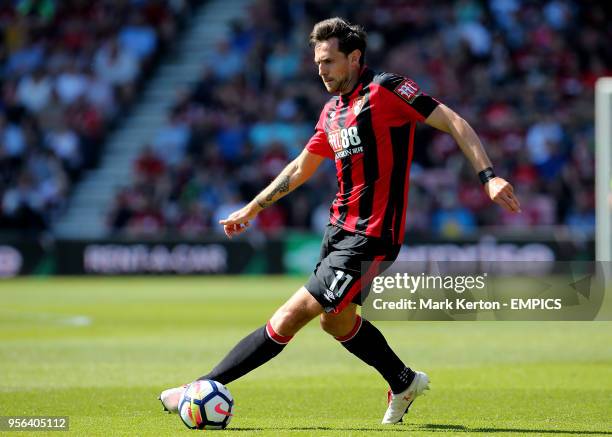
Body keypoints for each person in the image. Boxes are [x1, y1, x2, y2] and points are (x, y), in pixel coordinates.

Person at [159, 17, 521, 424]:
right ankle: (403, 382)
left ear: (354, 58)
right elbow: (300, 168)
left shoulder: (386, 90)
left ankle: (200, 386)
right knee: (337, 322)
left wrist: (488, 177)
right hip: (337, 232)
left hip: (372, 236)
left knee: (290, 315)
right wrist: (253, 208)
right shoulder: (331, 110)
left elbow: (454, 121)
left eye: (329, 61)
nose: (321, 70)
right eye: (317, 63)